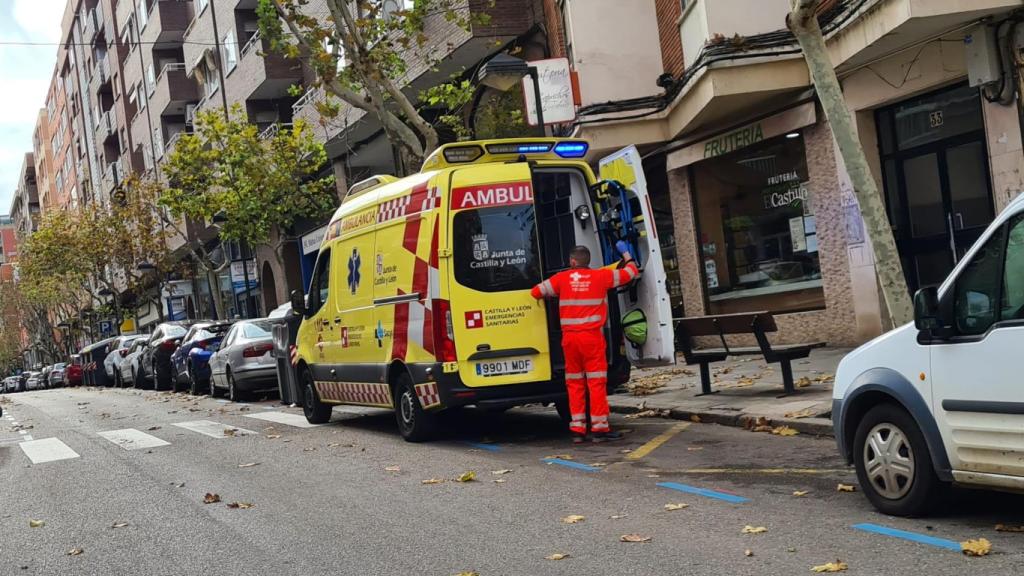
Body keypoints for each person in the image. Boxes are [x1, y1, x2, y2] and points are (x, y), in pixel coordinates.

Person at [531, 241, 639, 443]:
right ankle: (599, 428)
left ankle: (578, 428)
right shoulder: (601, 276)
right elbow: (631, 273)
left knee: (574, 383)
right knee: (596, 382)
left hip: (570, 339)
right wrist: (625, 254)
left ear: (572, 261)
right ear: (588, 261)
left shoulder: (561, 279)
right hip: (592, 338)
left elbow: (536, 292)